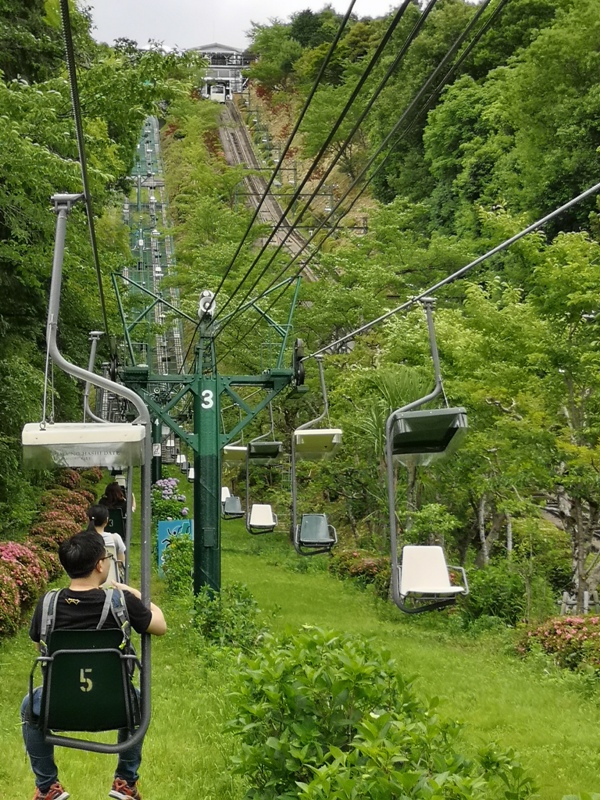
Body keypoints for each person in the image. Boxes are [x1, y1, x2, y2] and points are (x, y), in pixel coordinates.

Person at [21, 531, 167, 800]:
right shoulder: (121, 603)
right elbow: (160, 626)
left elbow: (41, 647)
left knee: (29, 706)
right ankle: (125, 781)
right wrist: (134, 592)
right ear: (100, 565)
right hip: (116, 704)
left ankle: (47, 786)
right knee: (137, 699)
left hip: (59, 705)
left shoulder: (47, 604)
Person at [87, 504, 126, 583]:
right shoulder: (115, 538)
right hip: (112, 582)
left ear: (89, 520)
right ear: (107, 520)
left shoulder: (81, 539)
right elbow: (120, 564)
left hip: (87, 583)